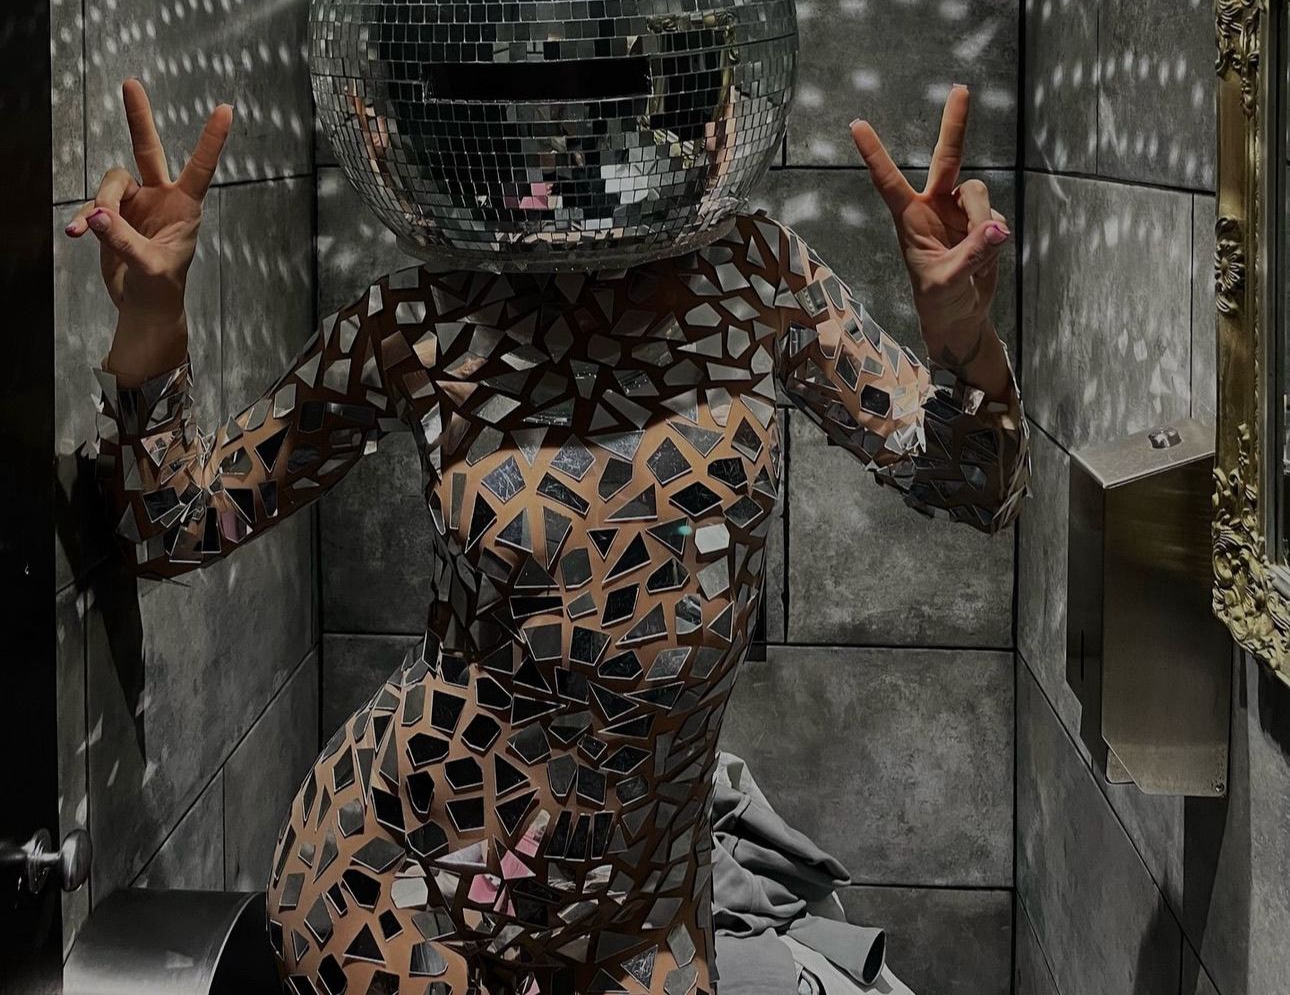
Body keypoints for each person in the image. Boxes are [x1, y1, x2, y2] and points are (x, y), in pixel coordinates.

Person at [70, 74, 1027, 995]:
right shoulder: (417, 320)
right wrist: (153, 321)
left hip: (643, 913)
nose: (568, 141)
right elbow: (175, 525)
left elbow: (981, 488)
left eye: (613, 88)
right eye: (522, 99)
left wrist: (963, 341)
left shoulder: (761, 276)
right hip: (399, 888)